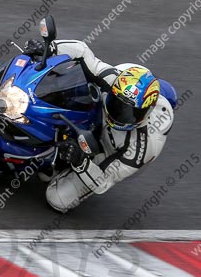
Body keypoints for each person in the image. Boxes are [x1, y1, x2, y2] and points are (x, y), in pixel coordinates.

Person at [37, 39, 175, 212]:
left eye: (128, 112)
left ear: (145, 114)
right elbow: (82, 53)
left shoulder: (143, 147)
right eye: (116, 102)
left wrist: (80, 162)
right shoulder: (116, 80)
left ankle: (60, 166)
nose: (119, 113)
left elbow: (103, 182)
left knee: (57, 198)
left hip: (106, 152)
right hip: (97, 115)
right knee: (71, 83)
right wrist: (50, 47)